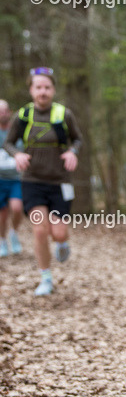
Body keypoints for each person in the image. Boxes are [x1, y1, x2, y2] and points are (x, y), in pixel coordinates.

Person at [3, 68, 83, 296]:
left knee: (58, 232)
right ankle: (46, 278)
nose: (43, 91)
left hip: (60, 183)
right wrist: (17, 155)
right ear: (31, 90)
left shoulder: (64, 114)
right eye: (38, 87)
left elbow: (78, 139)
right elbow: (9, 142)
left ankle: (62, 243)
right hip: (32, 181)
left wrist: (73, 152)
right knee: (40, 230)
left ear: (53, 90)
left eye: (47, 87)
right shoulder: (23, 116)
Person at [0, 99, 23, 257]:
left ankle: (14, 233)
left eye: (4, 111)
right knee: (2, 214)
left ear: (9, 112)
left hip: (16, 178)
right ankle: (2, 241)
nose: (2, 114)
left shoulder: (17, 130)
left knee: (17, 208)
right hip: (0, 179)